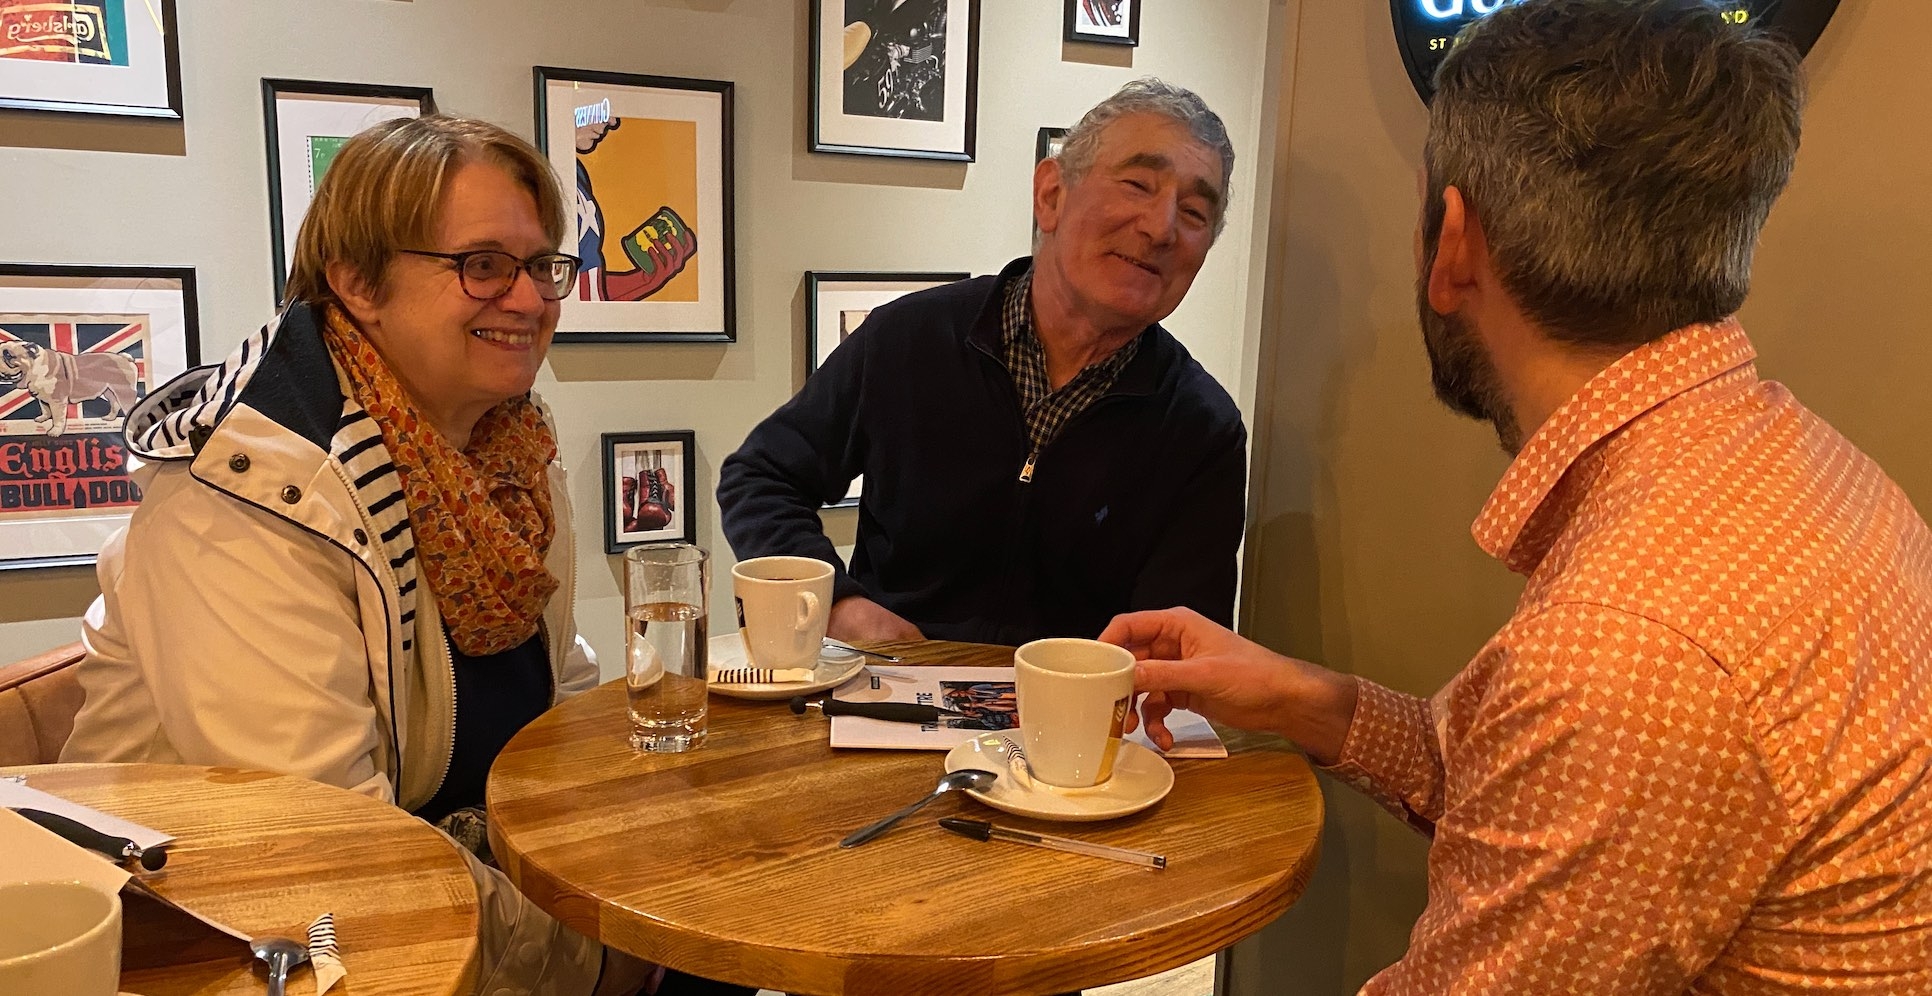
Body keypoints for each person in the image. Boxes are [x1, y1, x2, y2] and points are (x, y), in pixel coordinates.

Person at [1107, 1, 1932, 992]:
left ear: (1451, 241)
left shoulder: (1629, 645)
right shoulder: (1796, 465)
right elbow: (1533, 780)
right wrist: (1296, 696)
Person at [60, 115, 749, 996]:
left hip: (460, 894)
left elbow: (555, 686)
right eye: (484, 265)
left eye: (543, 266)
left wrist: (643, 853)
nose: (532, 300)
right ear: (357, 282)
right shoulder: (240, 501)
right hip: (259, 948)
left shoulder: (505, 445)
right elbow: (341, 857)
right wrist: (602, 953)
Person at [718, 79, 1247, 647]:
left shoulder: (1200, 427)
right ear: (1051, 196)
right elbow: (761, 476)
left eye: (1193, 212)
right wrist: (837, 606)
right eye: (1138, 184)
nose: (1161, 227)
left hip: (1071, 720)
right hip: (886, 692)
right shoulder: (908, 339)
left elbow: (1181, 642)